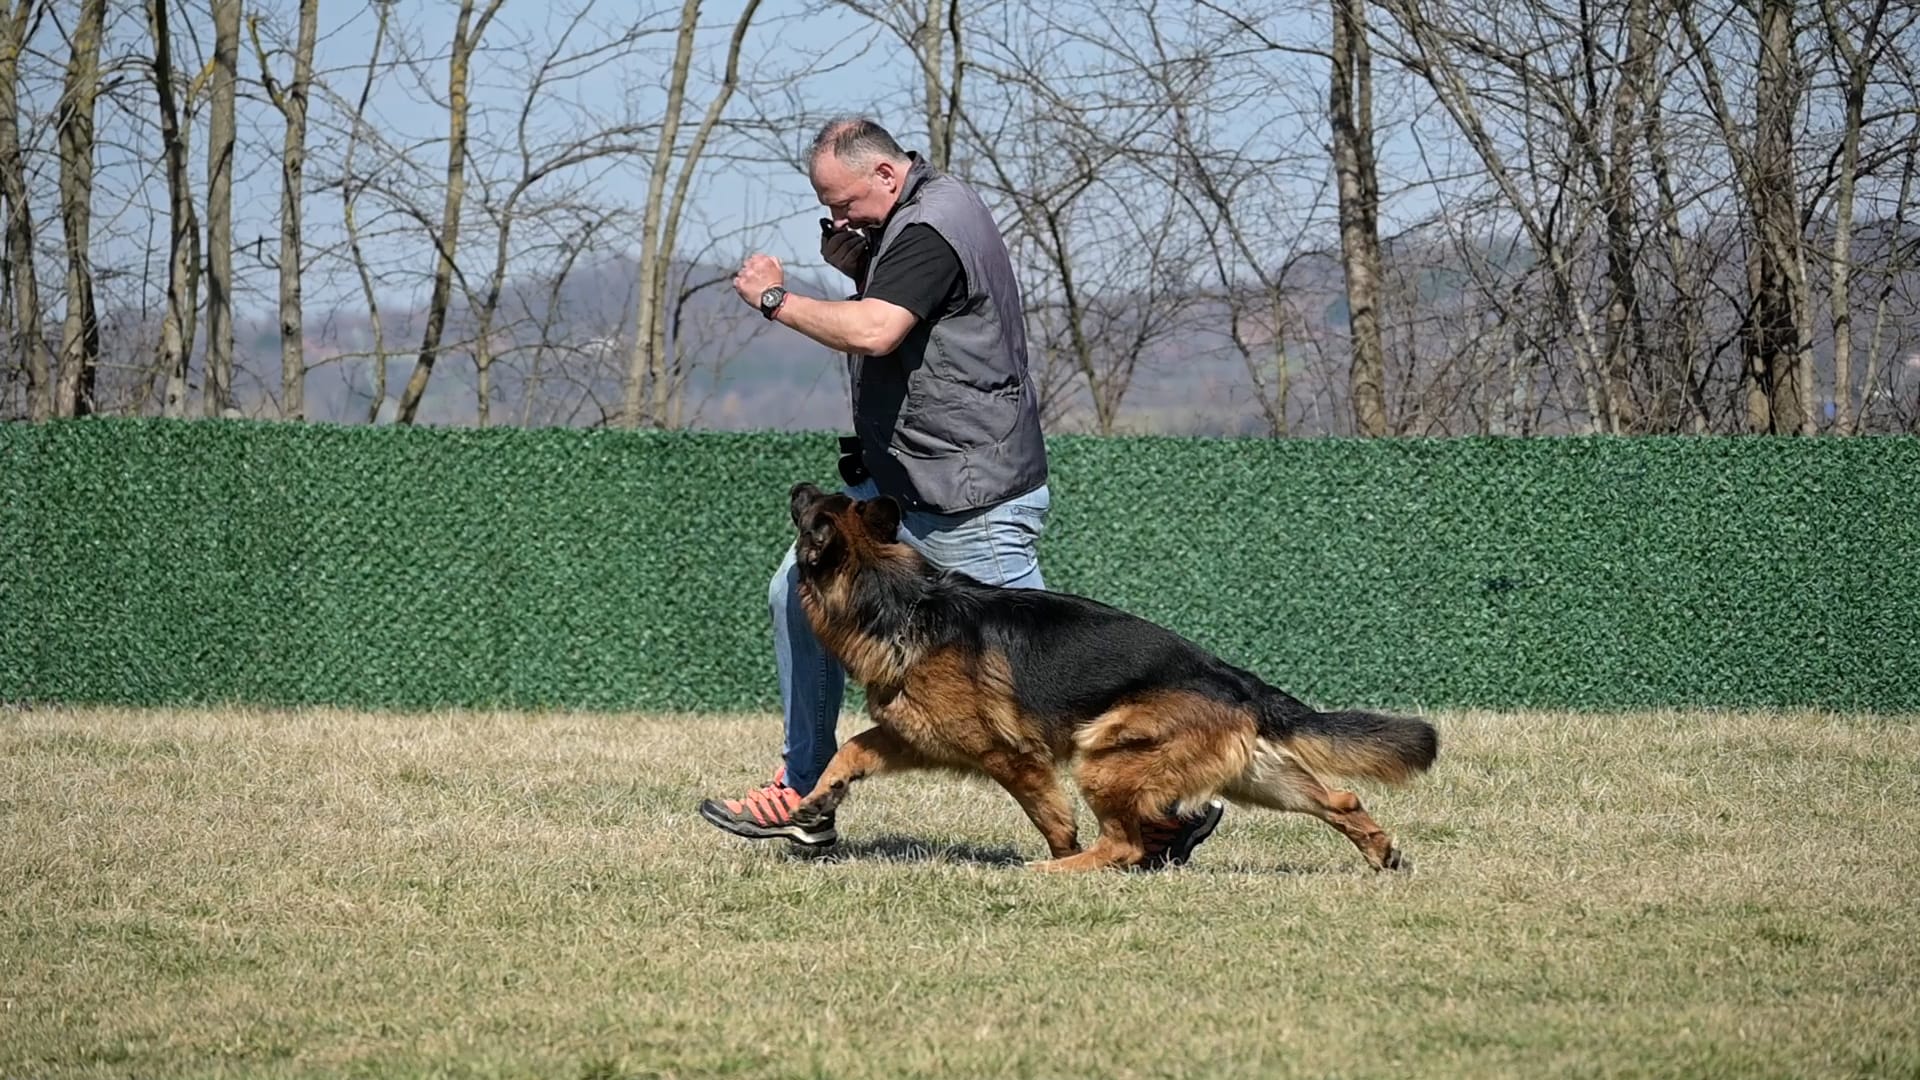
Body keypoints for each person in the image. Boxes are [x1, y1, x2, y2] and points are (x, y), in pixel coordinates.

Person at [698, 116, 1223, 868]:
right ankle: (805, 788)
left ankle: (1168, 810)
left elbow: (876, 331)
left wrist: (776, 298)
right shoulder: (905, 220)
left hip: (970, 494)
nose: (835, 218)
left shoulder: (932, 226)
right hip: (915, 481)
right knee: (797, 589)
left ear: (885, 174)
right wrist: (860, 259)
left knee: (1049, 674)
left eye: (842, 203)